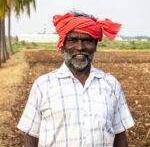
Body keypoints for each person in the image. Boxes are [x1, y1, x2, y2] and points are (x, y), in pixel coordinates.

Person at [17, 11, 135, 147]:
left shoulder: (111, 85)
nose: (80, 47)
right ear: (62, 45)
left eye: (87, 40)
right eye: (73, 40)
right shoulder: (42, 86)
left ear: (95, 45)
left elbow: (119, 136)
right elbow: (32, 137)